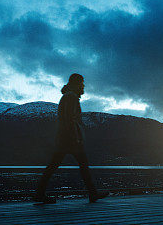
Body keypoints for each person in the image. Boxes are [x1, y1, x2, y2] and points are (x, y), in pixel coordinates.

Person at [34, 73, 108, 204]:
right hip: (70, 139)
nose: (83, 86)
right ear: (77, 83)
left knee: (55, 166)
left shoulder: (68, 96)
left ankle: (39, 194)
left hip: (64, 138)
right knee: (81, 165)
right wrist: (75, 137)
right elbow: (69, 119)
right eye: (82, 83)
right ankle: (93, 194)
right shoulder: (71, 97)